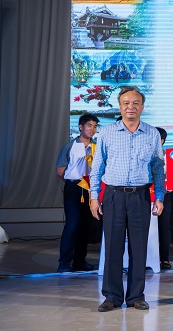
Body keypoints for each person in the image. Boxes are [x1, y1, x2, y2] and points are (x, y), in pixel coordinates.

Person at [89, 86, 165, 312]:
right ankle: (111, 296)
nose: (131, 107)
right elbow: (97, 167)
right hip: (113, 195)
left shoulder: (151, 133)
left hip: (140, 196)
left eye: (135, 103)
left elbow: (158, 167)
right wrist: (94, 197)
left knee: (138, 247)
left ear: (142, 106)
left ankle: (136, 296)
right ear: (120, 106)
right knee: (113, 247)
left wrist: (159, 196)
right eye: (126, 103)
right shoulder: (107, 133)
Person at [56, 113, 100, 272]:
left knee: (85, 226)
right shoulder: (70, 146)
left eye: (95, 126)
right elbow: (60, 170)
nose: (92, 129)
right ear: (81, 127)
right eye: (89, 125)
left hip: (91, 190)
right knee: (72, 224)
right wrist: (73, 183)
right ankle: (64, 262)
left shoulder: (97, 147)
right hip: (74, 189)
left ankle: (80, 261)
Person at [155, 127, 172, 270]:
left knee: (164, 227)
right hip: (144, 195)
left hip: (164, 195)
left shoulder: (169, 157)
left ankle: (164, 258)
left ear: (161, 140)